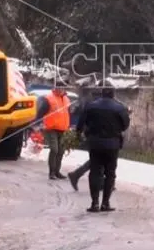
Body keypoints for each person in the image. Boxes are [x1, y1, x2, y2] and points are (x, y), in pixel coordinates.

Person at [76, 84, 130, 212]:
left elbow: (81, 123)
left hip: (95, 144)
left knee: (95, 172)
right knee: (110, 174)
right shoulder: (119, 108)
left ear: (101, 93)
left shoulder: (91, 106)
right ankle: (105, 203)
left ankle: (94, 203)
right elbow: (125, 125)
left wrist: (81, 133)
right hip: (112, 145)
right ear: (113, 94)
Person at [36, 87, 71, 179]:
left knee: (61, 151)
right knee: (54, 149)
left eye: (63, 87)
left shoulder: (66, 99)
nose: (61, 89)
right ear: (55, 87)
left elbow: (68, 113)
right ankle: (51, 172)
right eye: (59, 87)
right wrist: (38, 123)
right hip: (51, 128)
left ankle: (57, 172)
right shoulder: (49, 98)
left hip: (63, 129)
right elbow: (40, 113)